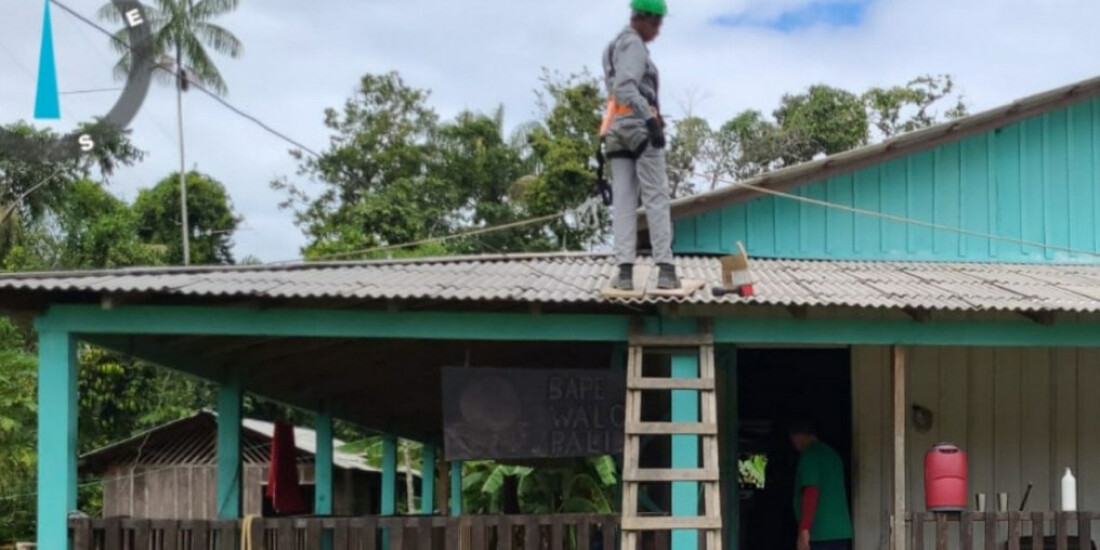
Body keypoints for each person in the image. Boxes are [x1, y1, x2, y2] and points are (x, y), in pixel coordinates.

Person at [601, 0, 680, 290]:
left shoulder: (611, 47)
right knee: (656, 196)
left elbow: (618, 91)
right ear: (642, 19)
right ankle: (666, 269)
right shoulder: (633, 44)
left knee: (623, 202)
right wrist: (649, 120)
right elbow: (625, 87)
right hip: (639, 129)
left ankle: (624, 272)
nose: (657, 31)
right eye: (656, 24)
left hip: (617, 130)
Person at [790, 418, 853, 550]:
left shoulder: (810, 456)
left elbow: (811, 492)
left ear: (798, 436)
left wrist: (804, 529)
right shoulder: (832, 455)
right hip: (839, 531)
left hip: (820, 532)